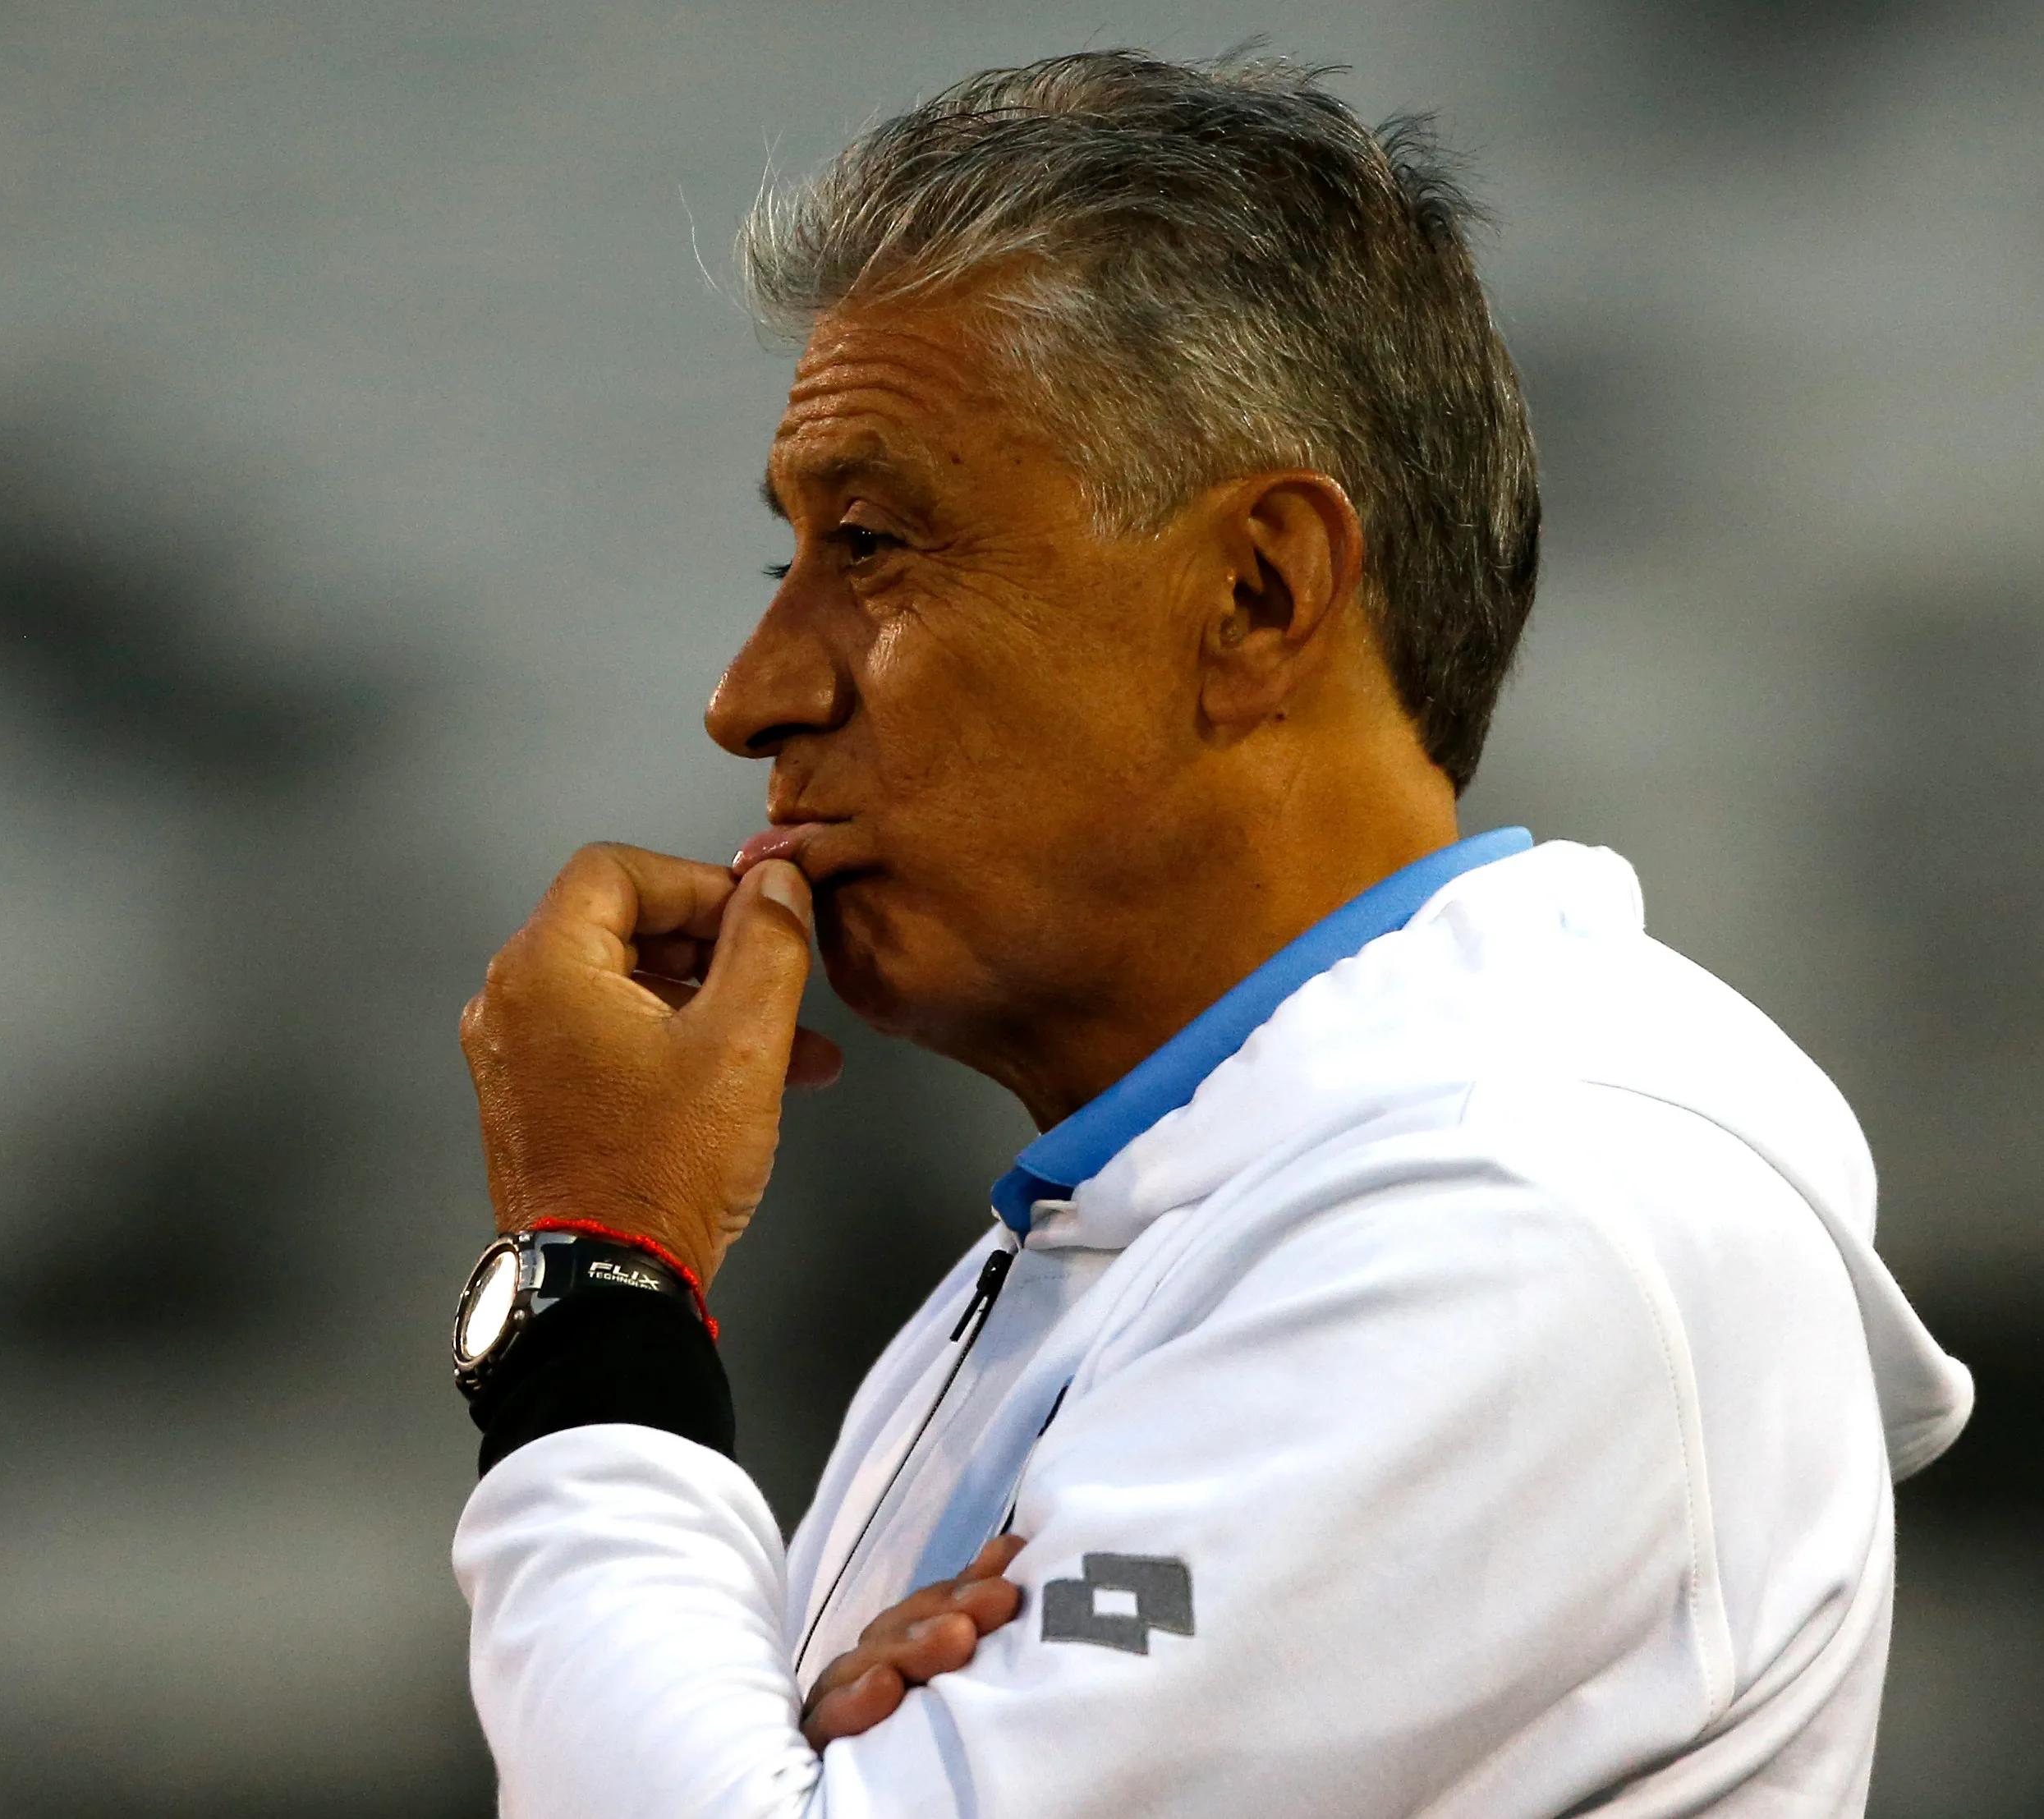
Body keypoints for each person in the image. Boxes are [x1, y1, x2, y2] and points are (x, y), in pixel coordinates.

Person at [443, 49, 1970, 1819]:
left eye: (868, 544)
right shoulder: (1194, 1210)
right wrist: (880, 1713)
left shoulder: (1519, 1220)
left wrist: (595, 1280)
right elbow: (902, 1735)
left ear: (1254, 595)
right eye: (783, 558)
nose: (748, 693)